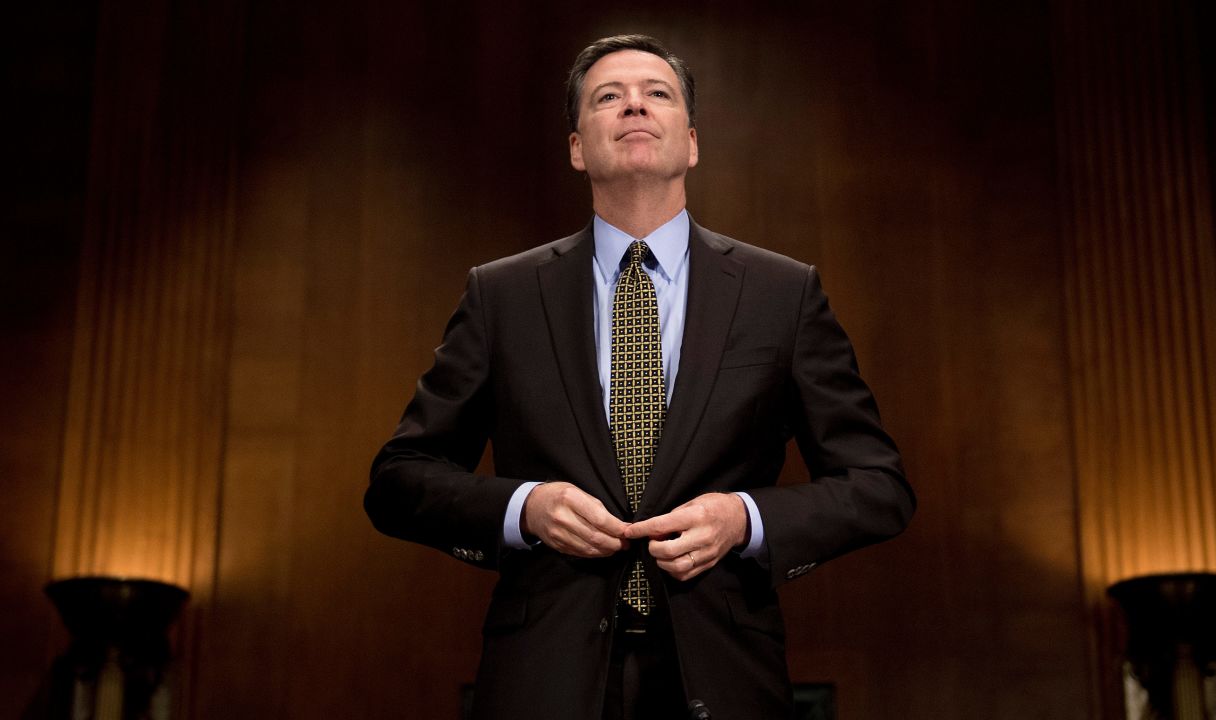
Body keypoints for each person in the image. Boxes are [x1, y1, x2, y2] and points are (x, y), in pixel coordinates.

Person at [365, 34, 915, 720]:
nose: (633, 104)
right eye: (608, 97)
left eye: (657, 93)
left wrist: (743, 519)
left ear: (690, 142)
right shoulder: (501, 295)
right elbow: (398, 479)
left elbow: (878, 486)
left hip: (722, 675)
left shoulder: (784, 292)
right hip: (544, 682)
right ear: (576, 148)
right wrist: (524, 508)